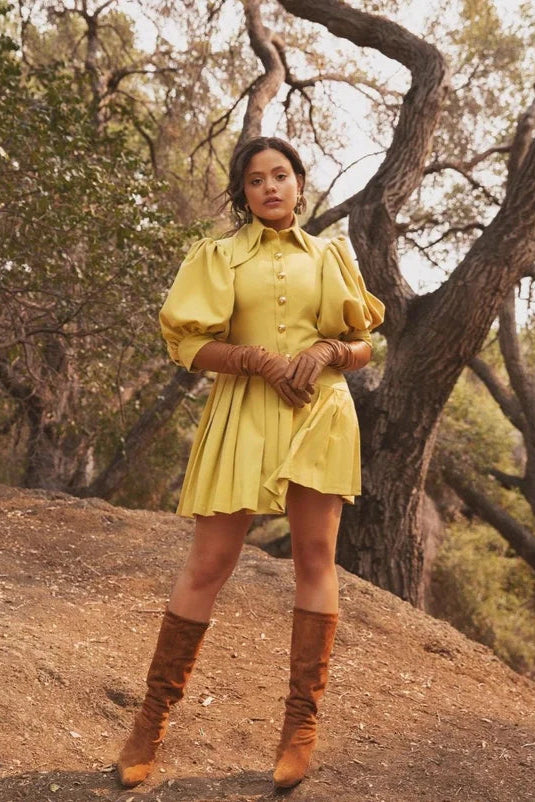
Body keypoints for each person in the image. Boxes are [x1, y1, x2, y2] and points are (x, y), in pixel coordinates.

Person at [116, 136, 385, 790]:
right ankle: (149, 724)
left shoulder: (330, 255)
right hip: (242, 409)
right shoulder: (217, 257)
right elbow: (187, 343)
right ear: (242, 191)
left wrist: (325, 353)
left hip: (319, 412)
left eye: (280, 175)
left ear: (298, 184)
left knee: (315, 560)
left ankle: (300, 728)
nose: (270, 187)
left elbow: (363, 344)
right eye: (256, 179)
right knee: (208, 563)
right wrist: (256, 360)